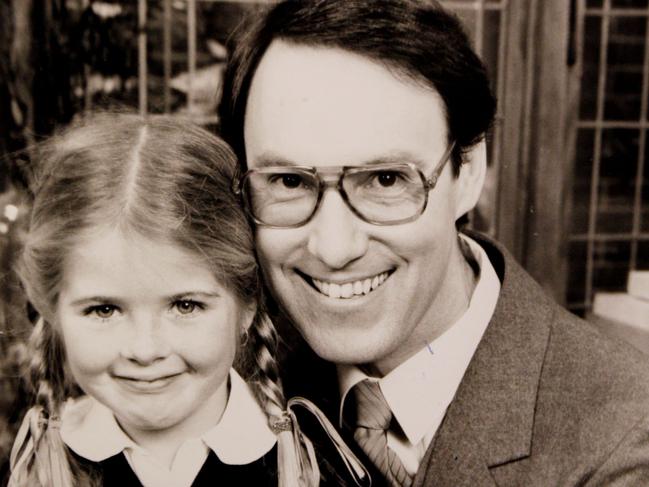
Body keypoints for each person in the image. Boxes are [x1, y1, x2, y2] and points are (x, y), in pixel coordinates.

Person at [218, 1, 649, 485]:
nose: (334, 248)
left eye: (384, 180)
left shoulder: (622, 438)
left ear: (469, 171)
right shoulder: (216, 375)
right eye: (289, 182)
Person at [4, 113, 365, 487]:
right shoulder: (30, 471)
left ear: (247, 305)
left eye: (185, 306)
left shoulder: (312, 470)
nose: (145, 350)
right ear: (52, 308)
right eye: (104, 309)